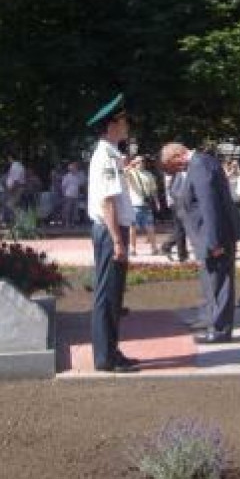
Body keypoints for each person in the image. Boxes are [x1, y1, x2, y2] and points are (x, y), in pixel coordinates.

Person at [161, 141, 238, 343]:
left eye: (172, 164)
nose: (174, 169)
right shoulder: (196, 164)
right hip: (204, 236)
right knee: (212, 282)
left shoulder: (200, 165)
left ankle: (220, 330)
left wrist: (214, 241)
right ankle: (211, 320)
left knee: (220, 284)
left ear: (178, 155)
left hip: (213, 237)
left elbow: (209, 205)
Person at [86, 93, 138, 372]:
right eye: (122, 121)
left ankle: (111, 351)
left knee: (114, 295)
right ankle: (105, 358)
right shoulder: (104, 156)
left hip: (111, 230)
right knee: (107, 295)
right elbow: (107, 202)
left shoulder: (110, 156)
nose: (126, 124)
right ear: (110, 126)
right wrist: (118, 239)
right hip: (109, 232)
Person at [125, 155, 160, 256]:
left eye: (142, 161)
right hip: (134, 204)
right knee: (133, 228)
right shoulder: (131, 173)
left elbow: (153, 190)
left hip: (146, 204)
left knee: (150, 227)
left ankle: (154, 248)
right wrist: (131, 165)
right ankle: (132, 248)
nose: (141, 163)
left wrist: (157, 202)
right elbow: (123, 172)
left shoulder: (149, 174)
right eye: (138, 162)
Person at [61, 162, 85, 228]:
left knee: (75, 211)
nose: (74, 169)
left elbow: (81, 185)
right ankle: (67, 223)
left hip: (76, 195)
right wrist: (64, 195)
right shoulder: (67, 176)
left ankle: (73, 223)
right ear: (70, 169)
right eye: (73, 168)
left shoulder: (78, 176)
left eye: (75, 168)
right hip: (68, 195)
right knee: (68, 210)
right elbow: (63, 186)